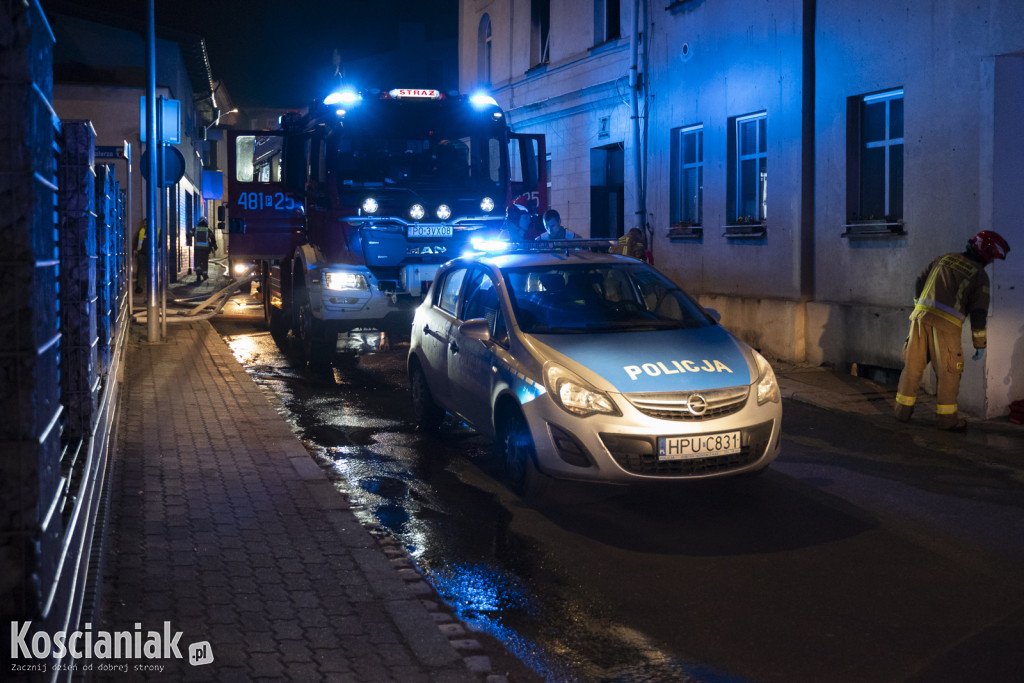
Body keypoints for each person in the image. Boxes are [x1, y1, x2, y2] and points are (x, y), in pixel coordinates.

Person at [894, 230, 1011, 431]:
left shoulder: (944, 258)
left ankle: (901, 412)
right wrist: (979, 343)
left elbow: (919, 281)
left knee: (912, 367)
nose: (991, 262)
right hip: (946, 327)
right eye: (992, 257)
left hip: (919, 320)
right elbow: (978, 313)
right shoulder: (979, 275)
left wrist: (919, 305)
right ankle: (947, 421)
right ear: (986, 252)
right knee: (949, 373)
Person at [194, 217, 211, 282]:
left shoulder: (195, 229)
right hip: (205, 250)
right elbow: (212, 238)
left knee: (197, 262)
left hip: (197, 250)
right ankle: (205, 275)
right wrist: (213, 246)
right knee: (205, 262)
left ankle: (198, 275)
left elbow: (189, 234)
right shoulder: (208, 230)